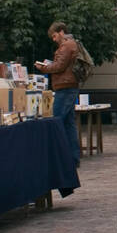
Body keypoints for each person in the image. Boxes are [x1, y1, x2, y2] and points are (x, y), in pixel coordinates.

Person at [35, 21, 81, 181]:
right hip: (68, 86)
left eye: (54, 36)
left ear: (61, 32)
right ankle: (73, 158)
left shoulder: (67, 46)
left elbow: (59, 66)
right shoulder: (71, 45)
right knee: (68, 123)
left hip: (65, 87)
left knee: (58, 120)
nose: (54, 39)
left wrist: (44, 67)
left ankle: (61, 157)